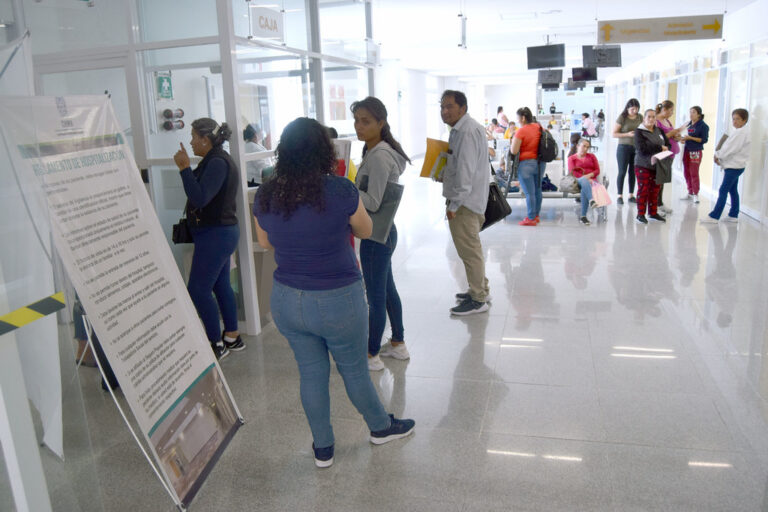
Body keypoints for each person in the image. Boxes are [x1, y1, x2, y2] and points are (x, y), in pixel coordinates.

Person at [252, 117, 415, 468]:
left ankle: (323, 448)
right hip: (337, 297)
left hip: (286, 299)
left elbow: (265, 242)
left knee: (310, 371)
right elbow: (367, 228)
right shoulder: (340, 189)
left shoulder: (267, 193)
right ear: (323, 152)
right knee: (353, 370)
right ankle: (380, 427)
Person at [173, 118, 244, 360]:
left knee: (198, 289)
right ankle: (232, 336)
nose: (191, 142)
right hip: (219, 233)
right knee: (219, 284)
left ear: (206, 139)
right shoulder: (215, 160)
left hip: (216, 235)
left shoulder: (217, 162)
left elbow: (200, 197)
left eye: (194, 137)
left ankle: (215, 343)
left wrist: (184, 169)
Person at [350, 97, 411, 371]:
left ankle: (371, 354)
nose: (359, 126)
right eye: (357, 120)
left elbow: (372, 202)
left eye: (366, 121)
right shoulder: (378, 151)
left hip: (377, 236)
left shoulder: (379, 156)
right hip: (384, 232)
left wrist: (347, 190)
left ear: (381, 123)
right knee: (386, 291)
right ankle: (398, 344)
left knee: (375, 297)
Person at [440, 90, 490, 316]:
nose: (445, 111)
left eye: (449, 106)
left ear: (463, 108)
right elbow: (461, 166)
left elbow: (466, 173)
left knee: (470, 252)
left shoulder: (467, 132)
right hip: (468, 200)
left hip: (465, 204)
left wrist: (454, 205)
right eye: (442, 107)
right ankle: (480, 289)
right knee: (471, 250)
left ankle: (478, 299)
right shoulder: (463, 130)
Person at [701, 109, 751, 224]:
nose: (734, 121)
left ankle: (714, 216)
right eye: (733, 119)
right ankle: (733, 214)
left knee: (723, 189)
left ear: (744, 120)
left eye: (738, 119)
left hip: (734, 166)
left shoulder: (741, 133)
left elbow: (730, 149)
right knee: (733, 190)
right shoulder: (741, 131)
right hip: (737, 165)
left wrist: (718, 156)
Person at [633, 109, 670, 225]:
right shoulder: (639, 132)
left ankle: (653, 213)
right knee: (643, 189)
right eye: (649, 117)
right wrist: (660, 147)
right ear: (644, 118)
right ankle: (640, 214)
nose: (651, 119)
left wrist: (664, 148)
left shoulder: (659, 130)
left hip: (657, 165)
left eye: (653, 117)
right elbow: (642, 149)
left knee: (655, 190)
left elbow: (668, 144)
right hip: (642, 164)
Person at [511, 106, 543, 226]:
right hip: (539, 164)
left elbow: (514, 151)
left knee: (529, 193)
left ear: (523, 118)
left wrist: (514, 137)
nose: (518, 121)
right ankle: (536, 215)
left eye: (518, 118)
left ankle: (530, 218)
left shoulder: (521, 131)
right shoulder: (539, 127)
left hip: (526, 165)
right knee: (538, 190)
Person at [612, 98, 642, 205]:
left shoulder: (640, 117)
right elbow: (614, 134)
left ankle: (631, 195)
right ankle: (619, 195)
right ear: (628, 108)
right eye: (632, 109)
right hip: (623, 147)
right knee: (622, 172)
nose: (634, 111)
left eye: (636, 109)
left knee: (633, 172)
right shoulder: (622, 117)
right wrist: (627, 134)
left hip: (636, 148)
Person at [655, 101, 682, 214]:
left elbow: (670, 135)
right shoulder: (656, 121)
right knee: (659, 180)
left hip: (671, 154)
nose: (672, 113)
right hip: (663, 154)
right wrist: (672, 134)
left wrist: (677, 136)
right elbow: (658, 138)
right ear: (664, 109)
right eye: (671, 110)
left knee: (663, 180)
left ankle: (660, 203)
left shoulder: (667, 121)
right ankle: (655, 205)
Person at [680, 106, 710, 203]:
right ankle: (690, 192)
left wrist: (691, 138)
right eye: (690, 112)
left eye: (693, 112)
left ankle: (696, 193)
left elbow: (704, 140)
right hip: (686, 150)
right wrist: (683, 139)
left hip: (695, 151)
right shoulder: (688, 124)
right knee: (686, 172)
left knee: (694, 172)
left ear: (699, 114)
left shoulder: (703, 126)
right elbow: (682, 133)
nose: (691, 114)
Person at [568, 138, 600, 225]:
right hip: (577, 181)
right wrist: (585, 178)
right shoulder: (571, 158)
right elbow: (573, 172)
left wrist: (588, 176)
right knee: (583, 181)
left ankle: (583, 217)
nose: (586, 149)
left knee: (584, 189)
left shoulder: (592, 156)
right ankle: (591, 200)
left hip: (591, 181)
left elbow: (597, 170)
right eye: (584, 146)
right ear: (578, 146)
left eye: (588, 147)